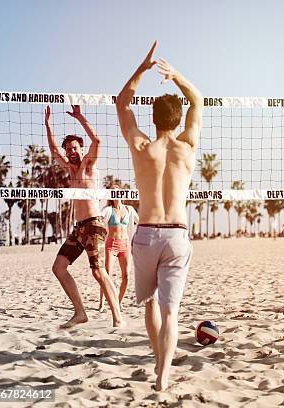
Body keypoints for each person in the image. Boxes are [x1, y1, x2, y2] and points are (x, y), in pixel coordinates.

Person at [116, 41, 203, 391]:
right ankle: (164, 375)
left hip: (146, 233)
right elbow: (198, 100)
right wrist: (176, 75)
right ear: (178, 119)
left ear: (152, 119)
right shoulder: (188, 146)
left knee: (149, 303)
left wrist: (143, 67)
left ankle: (157, 360)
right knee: (172, 313)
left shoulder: (141, 146)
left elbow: (122, 102)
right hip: (176, 235)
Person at [45, 105, 122, 329]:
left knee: (99, 272)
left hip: (95, 224)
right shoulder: (69, 169)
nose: (71, 152)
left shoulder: (88, 165)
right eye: (68, 148)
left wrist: (80, 117)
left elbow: (97, 141)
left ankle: (117, 316)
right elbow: (53, 152)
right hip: (79, 227)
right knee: (59, 268)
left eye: (75, 148)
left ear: (81, 149)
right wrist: (49, 124)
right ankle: (80, 313)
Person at [99, 188, 139, 312]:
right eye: (113, 192)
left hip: (125, 245)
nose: (116, 194)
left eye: (118, 191)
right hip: (112, 244)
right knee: (107, 275)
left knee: (126, 276)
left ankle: (119, 302)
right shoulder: (108, 210)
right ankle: (102, 303)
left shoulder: (129, 210)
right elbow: (98, 219)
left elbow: (140, 221)